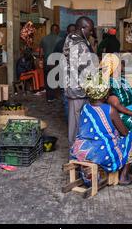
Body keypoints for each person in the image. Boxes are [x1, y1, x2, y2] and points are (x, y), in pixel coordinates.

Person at [71, 74, 132, 185]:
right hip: (101, 154)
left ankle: (89, 172)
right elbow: (124, 132)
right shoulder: (110, 110)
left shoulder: (85, 108)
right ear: (104, 93)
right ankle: (123, 177)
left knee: (105, 137)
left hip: (81, 150)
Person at [63, 17, 97, 148]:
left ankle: (77, 152)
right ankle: (76, 154)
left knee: (75, 121)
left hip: (72, 86)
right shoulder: (80, 44)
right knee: (77, 123)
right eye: (90, 30)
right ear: (83, 28)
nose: (91, 33)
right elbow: (85, 69)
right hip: (78, 89)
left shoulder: (70, 38)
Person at [53, 24, 76, 120]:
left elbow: (55, 58)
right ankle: (75, 121)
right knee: (77, 100)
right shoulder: (82, 43)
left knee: (67, 99)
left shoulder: (60, 43)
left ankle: (70, 122)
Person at [40, 24, 61, 102]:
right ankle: (55, 96)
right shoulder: (60, 39)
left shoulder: (44, 39)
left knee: (47, 80)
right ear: (56, 30)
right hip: (56, 63)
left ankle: (49, 97)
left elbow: (41, 52)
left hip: (46, 62)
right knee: (56, 80)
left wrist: (41, 60)